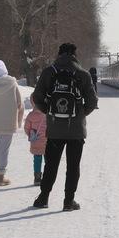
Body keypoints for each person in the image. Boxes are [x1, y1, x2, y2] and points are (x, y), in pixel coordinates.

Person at [32, 43, 98, 211]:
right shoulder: (83, 74)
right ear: (75, 55)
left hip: (54, 128)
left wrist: (50, 112)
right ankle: (68, 201)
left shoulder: (49, 72)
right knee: (73, 166)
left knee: (51, 164)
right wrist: (80, 114)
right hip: (76, 130)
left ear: (59, 54)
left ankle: (43, 198)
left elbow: (37, 98)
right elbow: (92, 102)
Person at [24, 94, 47, 186]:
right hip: (47, 141)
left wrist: (30, 134)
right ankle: (47, 177)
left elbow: (26, 128)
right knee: (48, 160)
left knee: (37, 159)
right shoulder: (47, 114)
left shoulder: (31, 115)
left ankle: (37, 177)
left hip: (36, 141)